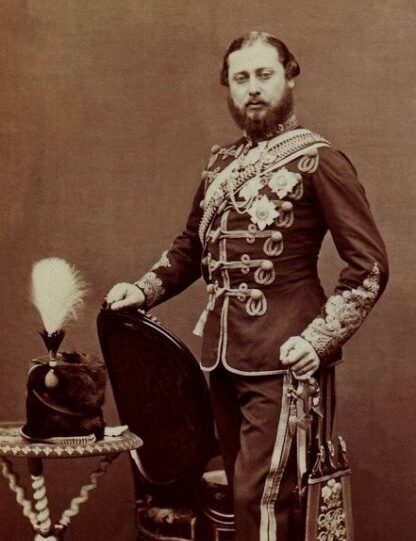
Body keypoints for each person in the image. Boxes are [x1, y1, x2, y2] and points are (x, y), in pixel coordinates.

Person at [106, 31, 388, 541]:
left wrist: (318, 340)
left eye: (264, 74)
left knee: (262, 498)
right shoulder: (221, 165)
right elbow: (191, 246)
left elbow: (368, 267)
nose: (253, 88)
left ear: (289, 78)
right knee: (248, 497)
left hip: (286, 356)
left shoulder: (319, 160)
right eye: (241, 78)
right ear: (229, 88)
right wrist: (144, 289)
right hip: (223, 356)